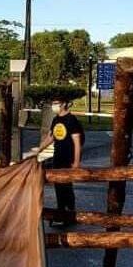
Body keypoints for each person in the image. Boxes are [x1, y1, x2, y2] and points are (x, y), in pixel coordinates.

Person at [37, 96, 84, 224]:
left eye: (56, 103)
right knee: (58, 185)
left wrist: (76, 162)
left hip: (68, 157)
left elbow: (77, 142)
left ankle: (69, 212)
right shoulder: (56, 119)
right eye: (53, 103)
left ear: (64, 104)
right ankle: (62, 211)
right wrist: (38, 150)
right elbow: (50, 138)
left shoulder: (71, 120)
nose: (54, 106)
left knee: (66, 185)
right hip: (58, 156)